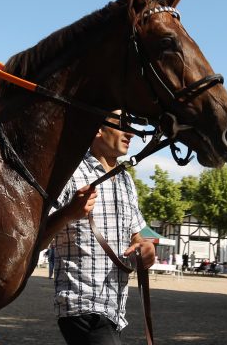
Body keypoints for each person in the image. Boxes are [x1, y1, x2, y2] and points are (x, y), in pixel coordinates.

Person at [38, 111, 155, 344]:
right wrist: (68, 213)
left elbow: (137, 236)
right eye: (122, 124)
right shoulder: (68, 172)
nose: (131, 133)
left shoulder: (126, 179)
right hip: (81, 305)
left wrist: (145, 247)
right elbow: (36, 241)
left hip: (115, 308)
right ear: (98, 129)